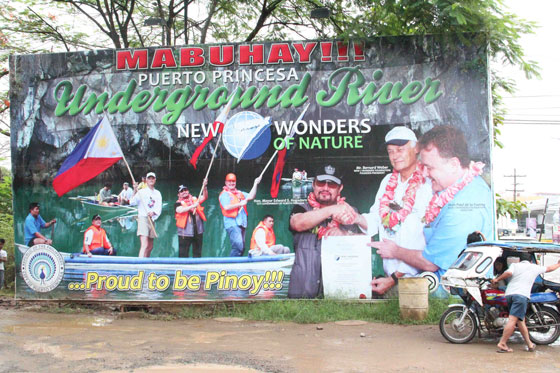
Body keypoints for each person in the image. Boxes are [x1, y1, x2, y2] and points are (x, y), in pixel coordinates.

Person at [371, 125, 493, 278]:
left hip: (451, 295)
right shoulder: (461, 186)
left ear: (454, 164)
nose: (425, 174)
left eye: (429, 167)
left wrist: (395, 251)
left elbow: (430, 262)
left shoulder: (463, 208)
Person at [355, 127, 432, 295]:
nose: (395, 156)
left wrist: (394, 279)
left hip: (417, 280)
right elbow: (376, 218)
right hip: (390, 279)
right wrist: (356, 218)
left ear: (416, 149)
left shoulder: (428, 184)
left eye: (400, 150)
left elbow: (425, 238)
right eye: (390, 152)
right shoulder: (387, 182)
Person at [288, 165, 361, 298]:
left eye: (332, 184)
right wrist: (332, 210)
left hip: (340, 294)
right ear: (314, 185)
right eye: (321, 183)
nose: (325, 188)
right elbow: (297, 223)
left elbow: (368, 243)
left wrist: (345, 235)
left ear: (340, 188)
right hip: (302, 294)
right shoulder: (301, 208)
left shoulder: (352, 212)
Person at [491, 254, 560, 353]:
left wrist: (497, 279)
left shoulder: (515, 265)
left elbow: (508, 273)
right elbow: (549, 268)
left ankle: (530, 344)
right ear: (531, 260)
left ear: (520, 260)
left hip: (510, 294)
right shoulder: (534, 267)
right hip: (521, 296)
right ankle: (502, 343)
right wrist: (558, 264)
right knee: (513, 320)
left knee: (520, 321)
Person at [219, 173, 261, 257]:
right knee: (238, 247)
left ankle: (237, 264)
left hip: (241, 223)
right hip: (232, 224)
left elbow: (251, 196)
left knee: (242, 248)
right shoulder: (224, 194)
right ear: (226, 183)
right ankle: (231, 265)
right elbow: (226, 207)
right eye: (229, 181)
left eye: (233, 181)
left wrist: (255, 183)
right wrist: (240, 203)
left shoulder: (239, 193)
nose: (231, 183)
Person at [131, 172, 162, 257]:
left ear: (155, 180)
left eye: (153, 178)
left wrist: (154, 212)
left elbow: (159, 207)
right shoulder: (141, 192)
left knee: (150, 246)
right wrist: (134, 190)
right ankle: (140, 265)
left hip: (152, 219)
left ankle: (146, 262)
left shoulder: (157, 193)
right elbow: (132, 202)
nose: (151, 180)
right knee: (144, 245)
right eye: (149, 178)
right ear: (146, 180)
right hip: (143, 218)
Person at [175, 179, 208, 258]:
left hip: (198, 231)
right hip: (185, 233)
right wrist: (192, 206)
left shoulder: (194, 199)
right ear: (178, 194)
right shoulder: (178, 203)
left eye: (185, 190)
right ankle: (182, 269)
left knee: (197, 253)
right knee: (183, 254)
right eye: (181, 191)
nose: (184, 192)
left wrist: (204, 186)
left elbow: (205, 197)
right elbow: (180, 210)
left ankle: (197, 268)